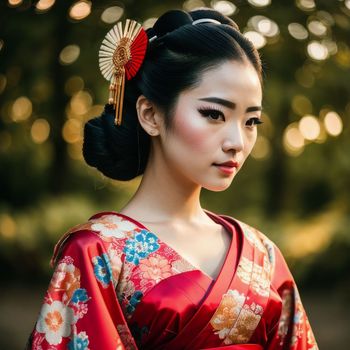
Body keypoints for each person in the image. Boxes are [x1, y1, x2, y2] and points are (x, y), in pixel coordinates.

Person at [26, 8, 319, 350]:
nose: (237, 142)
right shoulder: (97, 252)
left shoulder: (262, 254)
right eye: (213, 114)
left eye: (251, 121)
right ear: (150, 114)